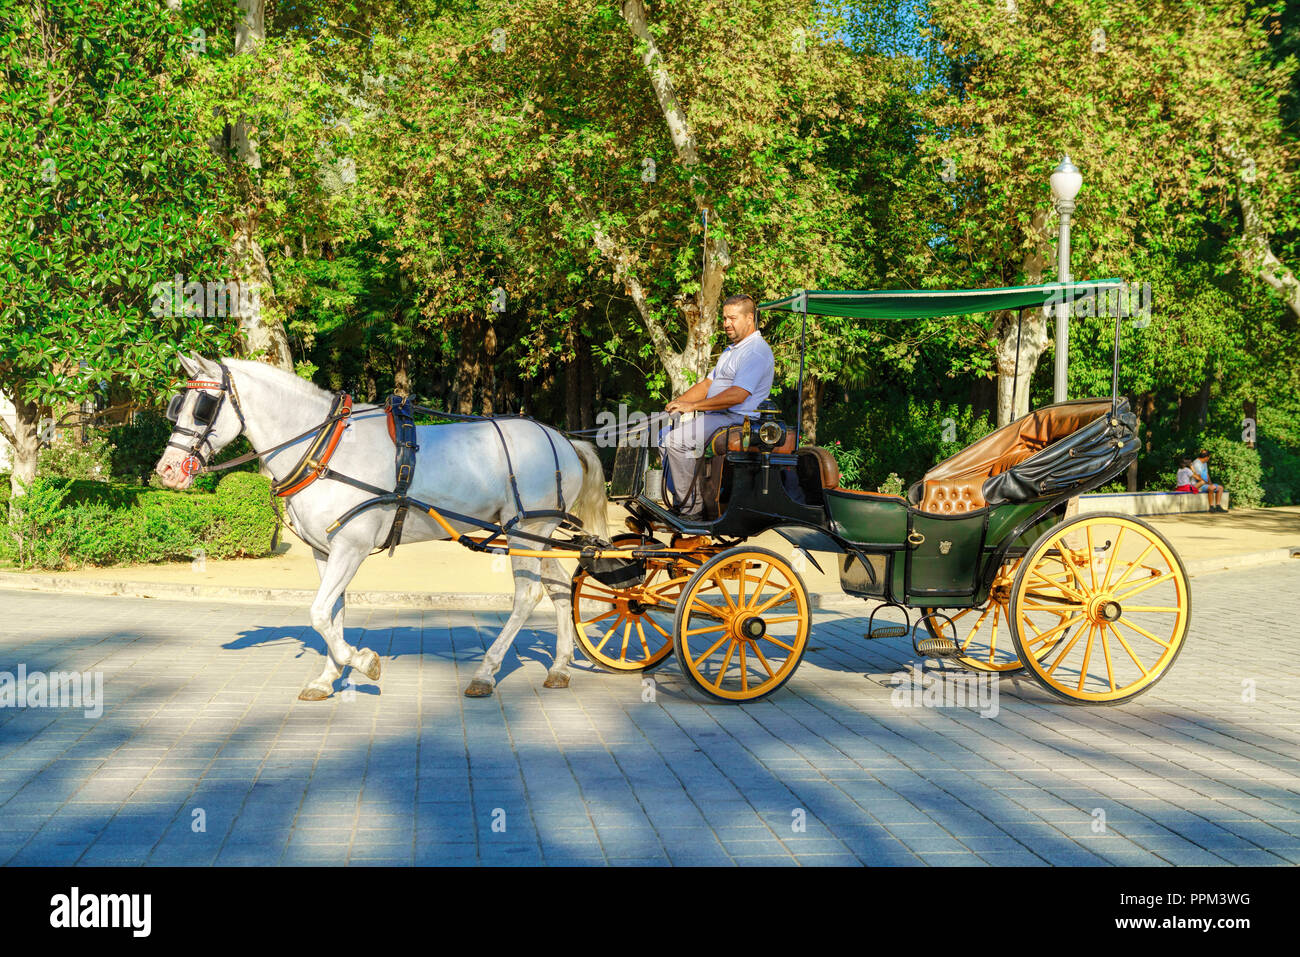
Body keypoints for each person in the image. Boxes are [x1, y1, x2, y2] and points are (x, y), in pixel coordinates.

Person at [659, 293, 775, 518]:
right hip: (718, 417)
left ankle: (692, 509)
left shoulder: (756, 351)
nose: (726, 324)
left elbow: (738, 395)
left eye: (732, 318)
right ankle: (683, 498)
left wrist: (693, 407)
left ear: (749, 318)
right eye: (724, 318)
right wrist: (679, 402)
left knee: (676, 441)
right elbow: (707, 384)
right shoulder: (731, 350)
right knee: (662, 435)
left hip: (737, 419)